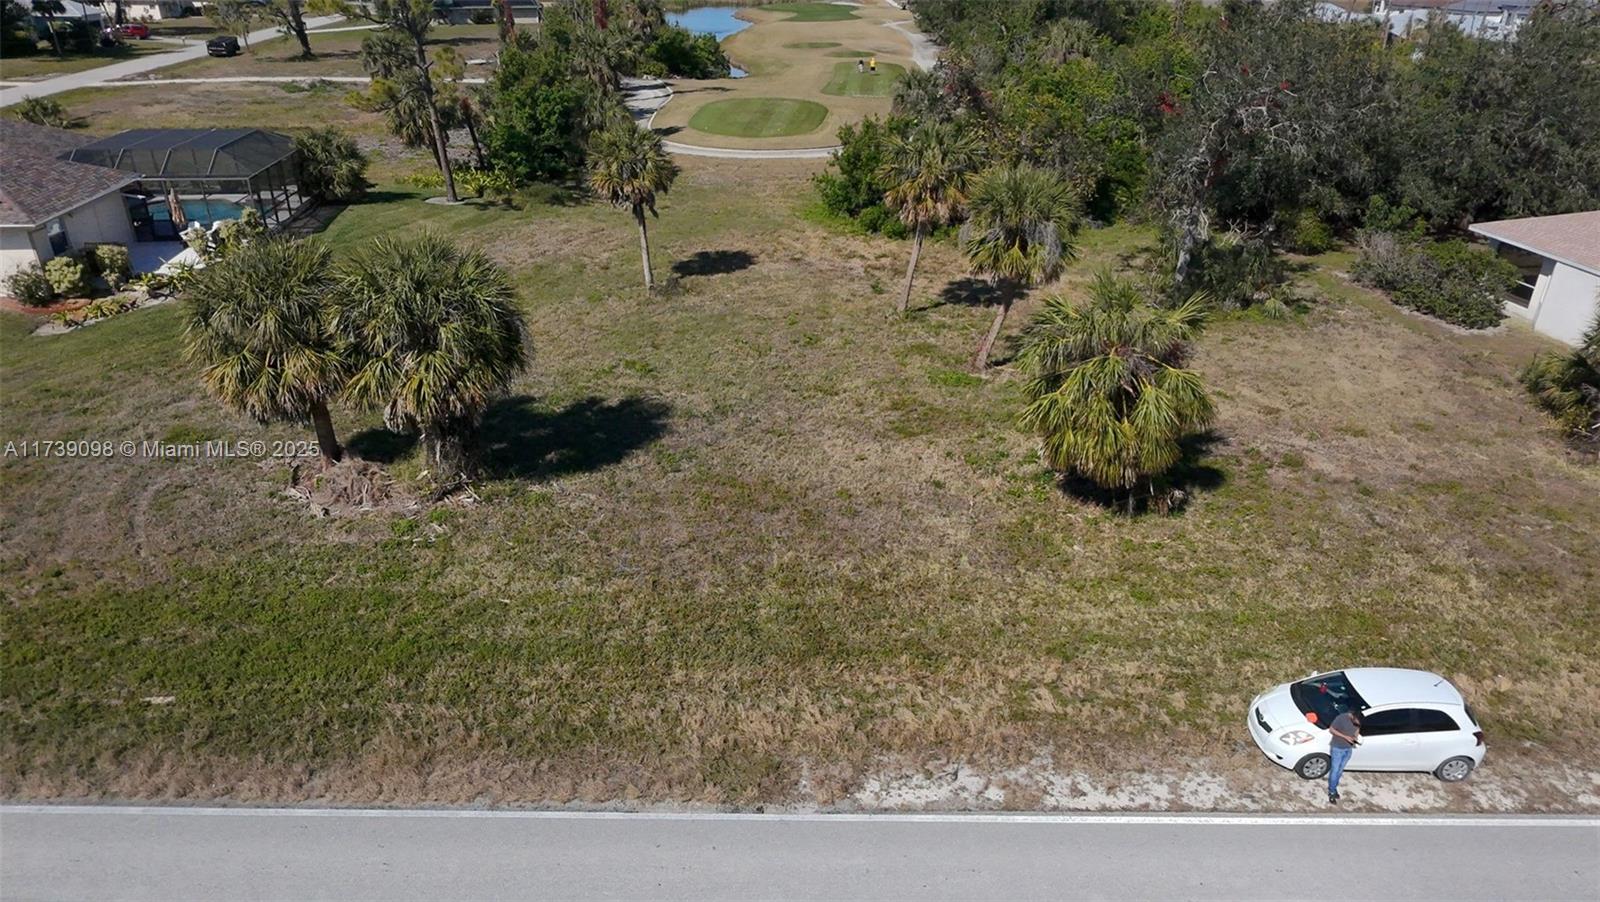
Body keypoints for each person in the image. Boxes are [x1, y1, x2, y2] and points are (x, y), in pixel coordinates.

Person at [1326, 709, 1361, 803]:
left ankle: (1334, 787)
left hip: (1348, 749)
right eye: (1357, 720)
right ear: (1352, 716)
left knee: (1340, 771)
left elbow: (1357, 729)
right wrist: (1345, 737)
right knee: (1335, 770)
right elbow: (1331, 729)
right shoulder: (1341, 718)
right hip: (1337, 748)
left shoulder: (1358, 719)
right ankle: (1332, 791)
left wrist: (1355, 737)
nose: (1358, 722)